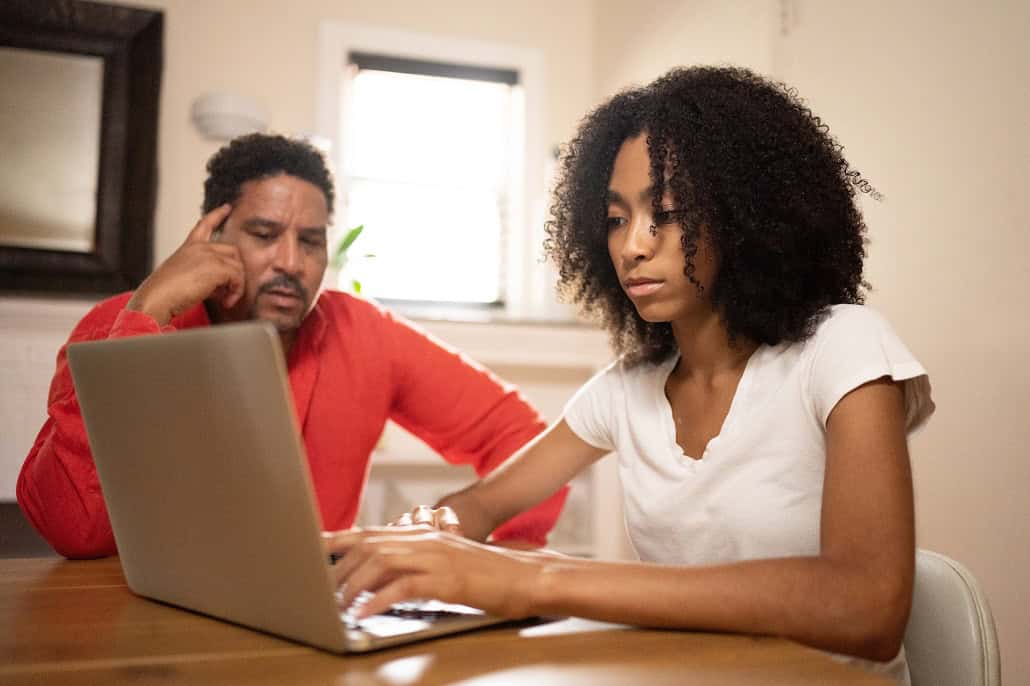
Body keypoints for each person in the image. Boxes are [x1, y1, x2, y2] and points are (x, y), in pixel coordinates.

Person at [324, 66, 934, 684]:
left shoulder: (843, 347)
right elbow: (485, 502)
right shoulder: (627, 386)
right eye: (616, 219)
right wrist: (435, 534)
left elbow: (867, 604)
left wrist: (533, 579)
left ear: (748, 217)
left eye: (665, 213)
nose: (632, 247)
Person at [17, 133, 567, 559]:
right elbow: (73, 530)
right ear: (211, 237)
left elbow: (525, 443)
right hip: (142, 624)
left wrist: (499, 553)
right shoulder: (119, 325)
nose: (291, 262)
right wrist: (148, 316)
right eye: (263, 234)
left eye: (310, 241)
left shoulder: (363, 332)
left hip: (311, 622)